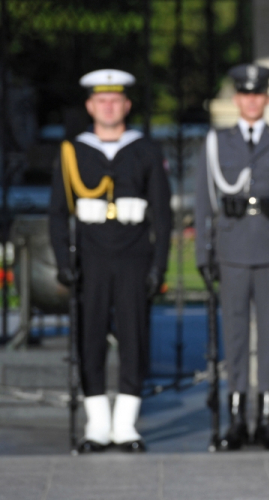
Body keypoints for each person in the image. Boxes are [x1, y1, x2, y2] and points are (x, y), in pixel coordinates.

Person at [49, 69, 172, 453]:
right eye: (101, 101)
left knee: (135, 337)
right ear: (90, 106)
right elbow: (57, 213)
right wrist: (62, 262)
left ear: (127, 105)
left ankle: (126, 425)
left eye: (115, 100)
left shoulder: (145, 149)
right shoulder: (74, 151)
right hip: (91, 256)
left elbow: (163, 215)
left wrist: (159, 265)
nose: (108, 106)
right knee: (90, 338)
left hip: (134, 254)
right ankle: (98, 425)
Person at [194, 63, 269, 451]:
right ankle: (237, 419)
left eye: (257, 94)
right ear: (237, 99)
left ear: (267, 99)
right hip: (232, 249)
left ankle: (266, 421)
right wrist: (202, 254)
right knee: (237, 337)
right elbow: (202, 203)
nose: (251, 100)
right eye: (244, 94)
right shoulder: (216, 143)